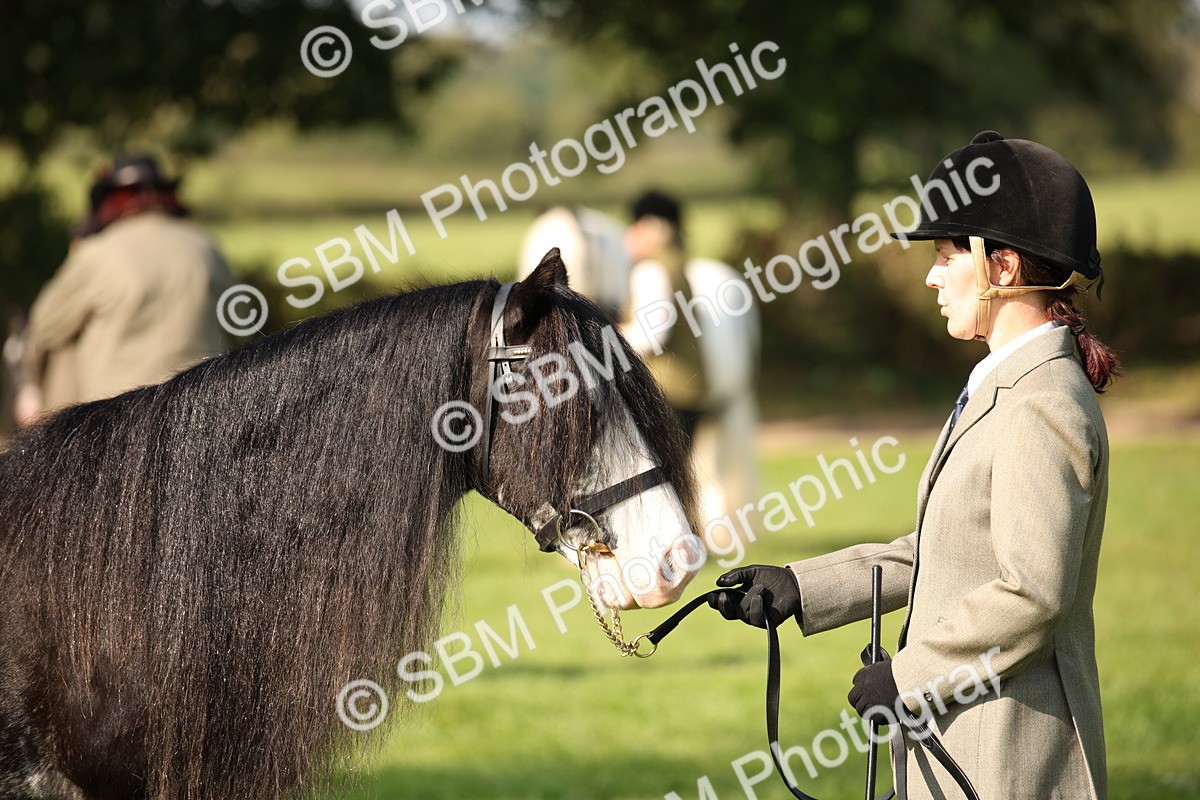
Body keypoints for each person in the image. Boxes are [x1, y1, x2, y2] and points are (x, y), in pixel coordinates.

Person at [708, 131, 1117, 799]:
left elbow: (1033, 593)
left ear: (1004, 268)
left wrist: (909, 674)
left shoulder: (1042, 404)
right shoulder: (1004, 386)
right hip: (956, 749)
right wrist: (798, 587)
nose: (931, 275)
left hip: (1006, 758)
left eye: (946, 257)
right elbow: (946, 553)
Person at [14, 155, 233, 423]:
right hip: (203, 412)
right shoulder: (208, 247)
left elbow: (44, 326)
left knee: (64, 339)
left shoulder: (98, 254)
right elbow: (240, 319)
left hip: (117, 424)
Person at [619, 190, 709, 444]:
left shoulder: (651, 269)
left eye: (636, 226)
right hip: (686, 391)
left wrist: (606, 342)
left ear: (651, 228)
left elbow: (652, 334)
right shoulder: (676, 264)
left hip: (663, 395)